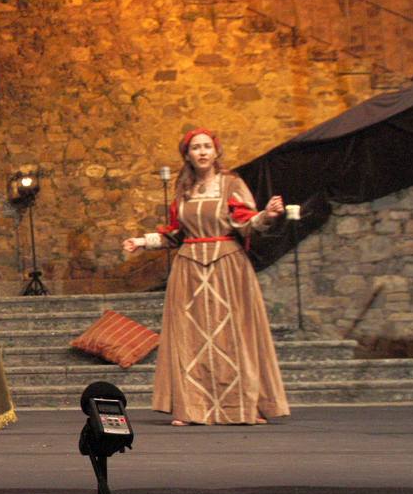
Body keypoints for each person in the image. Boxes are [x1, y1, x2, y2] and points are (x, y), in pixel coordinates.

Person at [122, 129, 290, 426]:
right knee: (190, 339)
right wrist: (142, 242)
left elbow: (248, 223)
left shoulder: (231, 184)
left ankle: (243, 406)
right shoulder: (184, 190)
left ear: (215, 152)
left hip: (227, 266)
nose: (202, 152)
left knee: (234, 335)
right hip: (189, 269)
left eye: (207, 147)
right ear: (187, 155)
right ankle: (191, 408)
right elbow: (174, 233)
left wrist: (268, 214)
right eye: (196, 148)